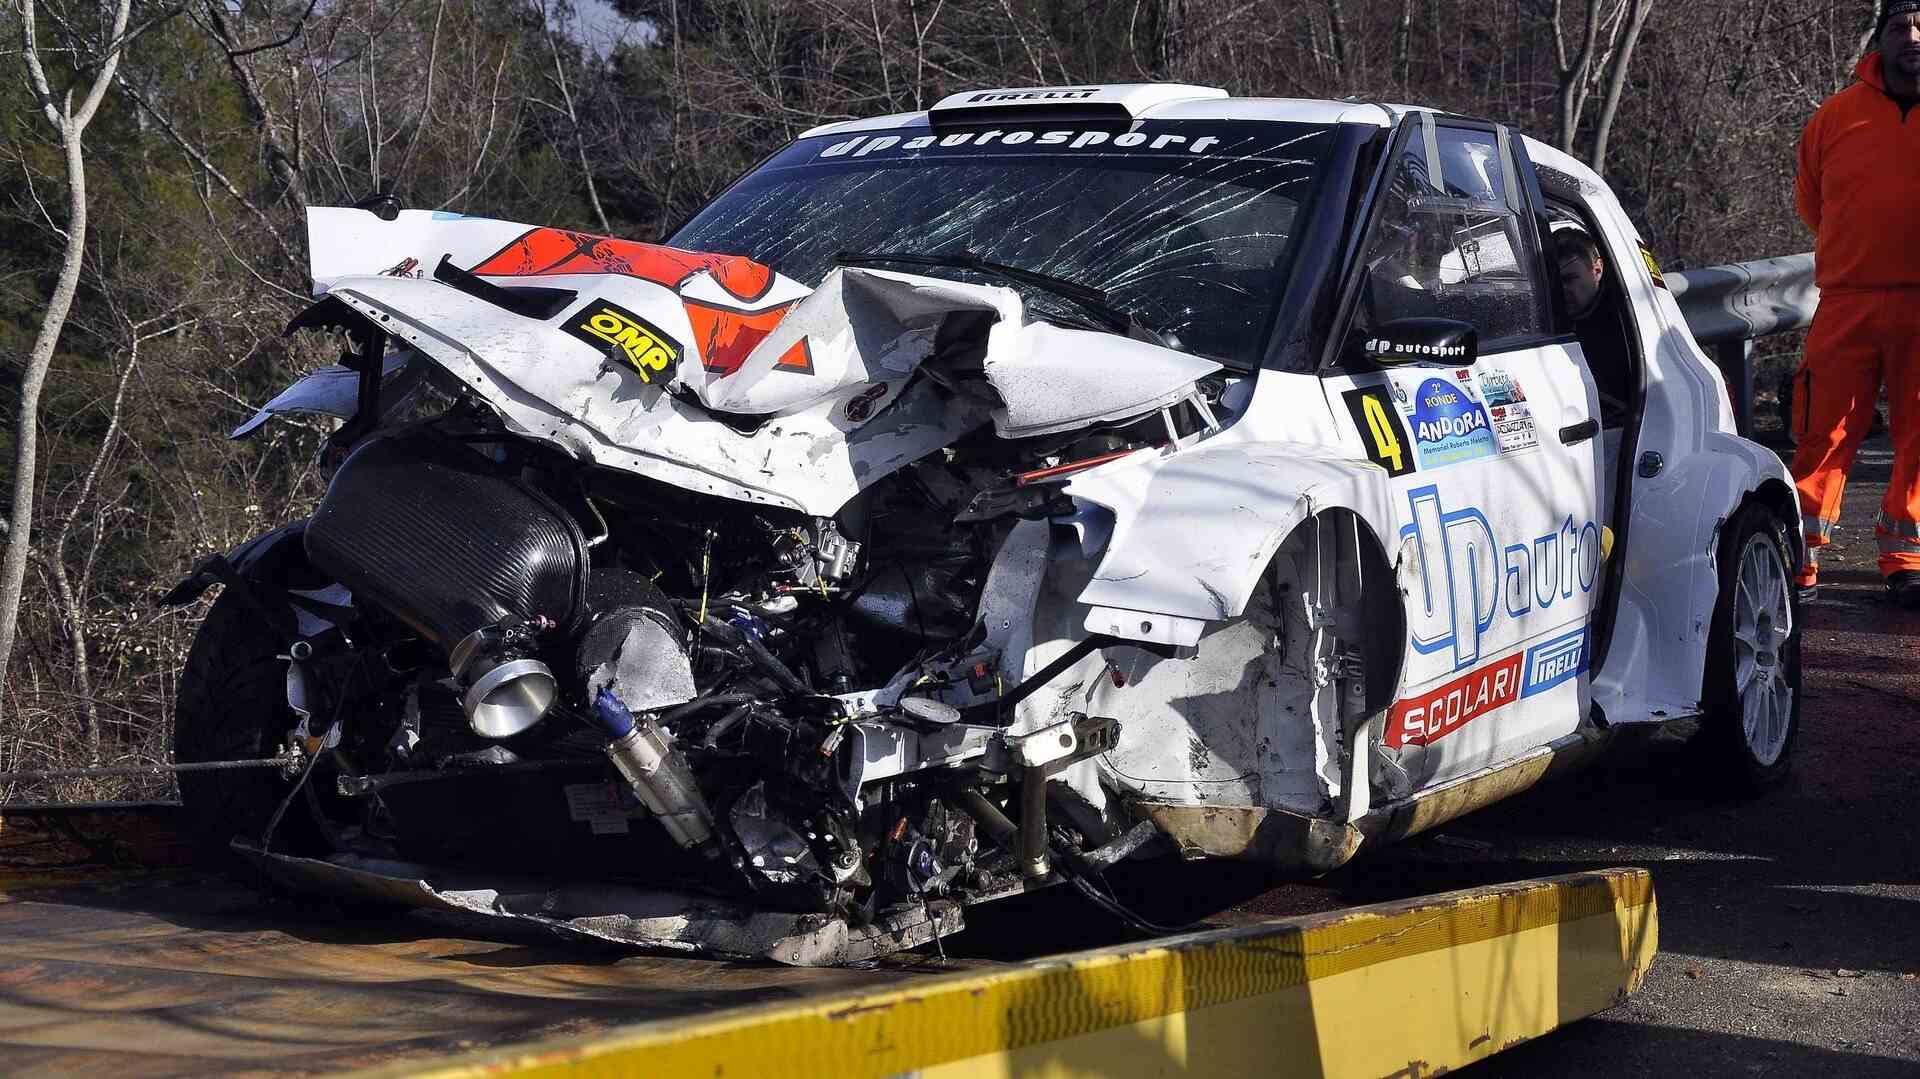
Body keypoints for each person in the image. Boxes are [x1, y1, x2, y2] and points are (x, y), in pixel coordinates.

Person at [1791, 0, 1920, 607]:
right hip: (1849, 300)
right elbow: (1812, 202)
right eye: (1900, 28)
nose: (1913, 38)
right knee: (1825, 432)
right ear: (1881, 40)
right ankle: (1800, 558)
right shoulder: (1837, 116)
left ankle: (1905, 558)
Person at [1554, 229, 1631, 425]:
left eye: (1569, 279)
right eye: (1554, 281)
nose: (1562, 290)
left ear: (1596, 271)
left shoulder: (1625, 319)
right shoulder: (1549, 318)